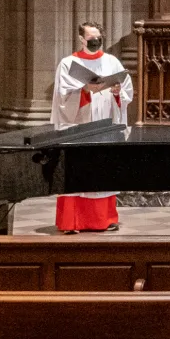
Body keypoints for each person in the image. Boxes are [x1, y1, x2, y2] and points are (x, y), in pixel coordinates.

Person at [52, 21, 129, 233]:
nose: (95, 43)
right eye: (92, 40)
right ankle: (71, 222)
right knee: (76, 170)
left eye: (99, 40)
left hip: (104, 123)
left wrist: (116, 91)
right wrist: (84, 89)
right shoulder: (68, 64)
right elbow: (62, 96)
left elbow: (125, 90)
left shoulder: (112, 62)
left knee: (102, 169)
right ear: (81, 39)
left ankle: (103, 220)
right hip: (79, 124)